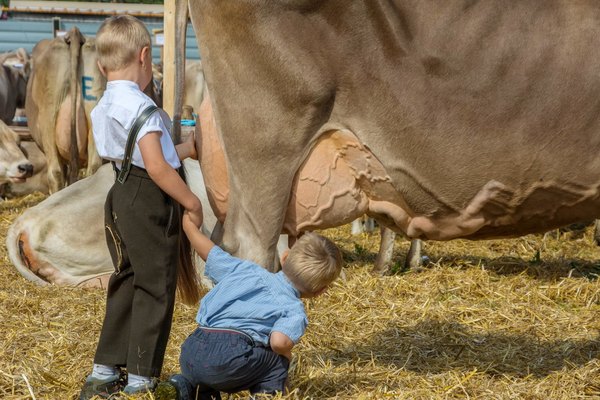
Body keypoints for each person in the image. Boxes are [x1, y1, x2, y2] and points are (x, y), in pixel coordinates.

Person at [79, 15, 203, 399]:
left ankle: (104, 370)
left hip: (118, 192)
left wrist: (187, 149)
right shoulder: (144, 110)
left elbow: (136, 156)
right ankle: (140, 379)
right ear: (145, 56)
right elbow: (157, 168)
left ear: (101, 66)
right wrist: (190, 200)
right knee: (155, 286)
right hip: (149, 199)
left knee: (127, 278)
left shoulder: (104, 105)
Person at [155, 212, 344, 400]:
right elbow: (279, 342)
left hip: (192, 350)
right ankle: (265, 396)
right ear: (320, 291)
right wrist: (286, 355)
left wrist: (190, 228)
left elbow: (210, 253)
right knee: (277, 362)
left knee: (205, 378)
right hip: (228, 360)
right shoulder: (293, 309)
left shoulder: (246, 269)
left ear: (285, 257)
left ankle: (182, 386)